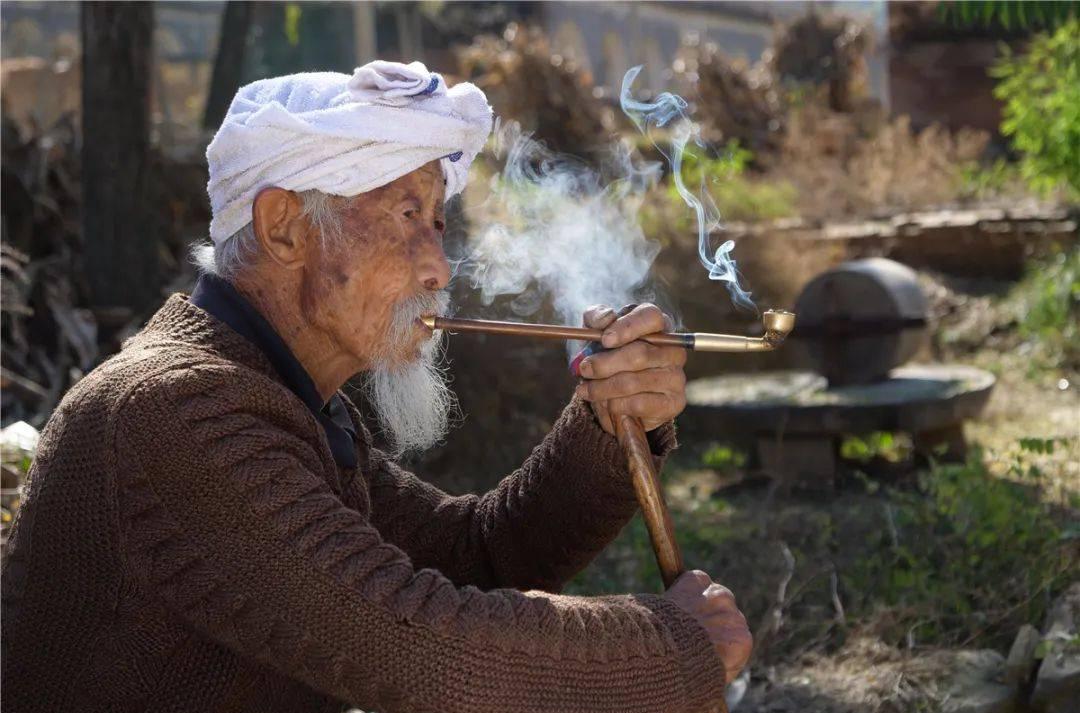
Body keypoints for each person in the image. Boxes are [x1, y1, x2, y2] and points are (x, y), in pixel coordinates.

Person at [1, 60, 750, 713]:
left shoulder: (278, 400)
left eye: (437, 220)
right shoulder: (177, 411)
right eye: (405, 215)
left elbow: (476, 555)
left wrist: (601, 425)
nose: (439, 267)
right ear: (285, 226)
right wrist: (669, 645)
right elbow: (416, 644)